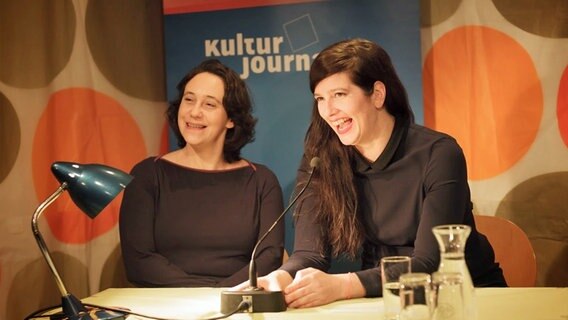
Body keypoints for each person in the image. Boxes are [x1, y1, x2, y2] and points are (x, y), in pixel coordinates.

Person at [236, 38, 507, 307]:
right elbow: (311, 255)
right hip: (385, 298)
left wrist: (343, 285)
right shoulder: (321, 158)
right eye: (320, 98)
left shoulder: (439, 153)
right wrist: (280, 278)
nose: (328, 111)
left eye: (339, 95)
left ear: (377, 94)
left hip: (464, 295)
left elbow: (428, 263)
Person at [119, 59, 284, 287]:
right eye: (189, 100)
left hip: (237, 303)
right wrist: (201, 295)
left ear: (231, 119)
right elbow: (139, 260)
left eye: (209, 104)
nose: (194, 112)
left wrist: (223, 295)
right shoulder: (147, 175)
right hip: (164, 304)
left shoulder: (261, 181)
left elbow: (270, 258)